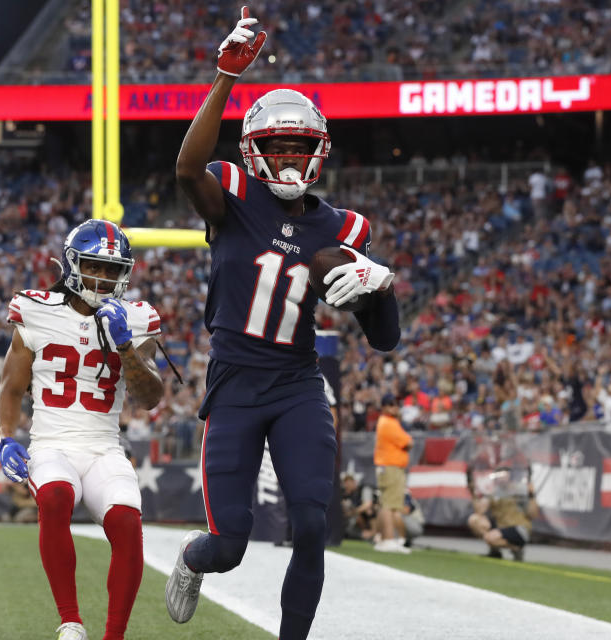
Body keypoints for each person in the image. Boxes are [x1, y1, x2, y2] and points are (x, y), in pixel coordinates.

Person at [165, 8, 400, 639]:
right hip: (236, 383)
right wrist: (223, 79)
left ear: (319, 151)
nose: (291, 157)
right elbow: (187, 170)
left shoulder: (345, 230)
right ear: (253, 150)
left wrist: (382, 286)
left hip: (298, 385)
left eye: (300, 146)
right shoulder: (232, 194)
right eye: (278, 146)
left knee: (312, 524)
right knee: (229, 543)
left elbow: (384, 339)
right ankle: (192, 559)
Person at [0, 219, 165, 640]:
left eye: (113, 269)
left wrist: (125, 345)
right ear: (72, 264)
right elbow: (11, 387)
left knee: (126, 521)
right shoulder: (35, 309)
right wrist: (4, 437)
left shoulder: (137, 317)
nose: (104, 278)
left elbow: (150, 397)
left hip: (104, 446)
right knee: (54, 496)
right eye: (95, 266)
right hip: (52, 443)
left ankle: (114, 636)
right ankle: (70, 622)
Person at [467, 467, 538, 561]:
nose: (502, 477)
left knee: (490, 538)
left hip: (518, 528)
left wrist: (531, 496)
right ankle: (495, 550)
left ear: (509, 476)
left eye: (504, 474)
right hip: (501, 527)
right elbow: (480, 511)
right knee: (474, 520)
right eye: (499, 474)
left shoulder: (520, 490)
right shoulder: (494, 492)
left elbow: (532, 514)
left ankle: (516, 548)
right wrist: (473, 492)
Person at [373, 393, 413, 553]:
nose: (394, 407)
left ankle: (383, 539)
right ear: (383, 407)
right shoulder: (389, 422)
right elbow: (409, 442)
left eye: (396, 404)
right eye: (390, 404)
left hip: (386, 466)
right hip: (391, 467)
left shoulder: (385, 421)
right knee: (389, 505)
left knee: (385, 504)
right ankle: (388, 540)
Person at [340, 472, 377, 540]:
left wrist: (353, 512)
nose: (347, 485)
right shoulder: (347, 494)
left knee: (368, 510)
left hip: (376, 515)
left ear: (354, 482)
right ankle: (364, 532)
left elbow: (368, 504)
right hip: (358, 518)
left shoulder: (363, 489)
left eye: (349, 483)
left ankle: (374, 532)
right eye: (346, 483)